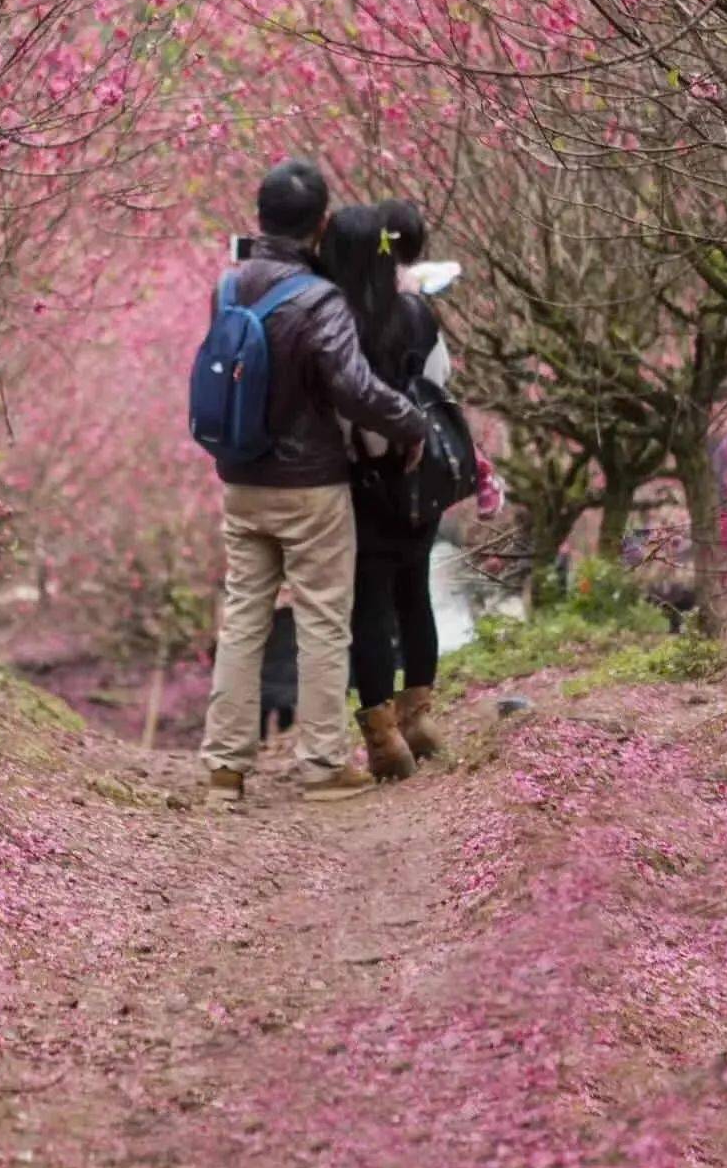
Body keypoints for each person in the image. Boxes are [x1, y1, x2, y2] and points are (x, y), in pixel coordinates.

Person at [200, 159, 426, 805]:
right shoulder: (318, 299)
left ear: (261, 217)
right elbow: (354, 388)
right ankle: (323, 766)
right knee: (324, 620)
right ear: (321, 224)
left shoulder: (229, 286)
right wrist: (411, 423)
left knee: (243, 616)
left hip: (241, 479)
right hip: (312, 487)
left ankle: (224, 769)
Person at [320, 199, 502, 779]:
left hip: (359, 479)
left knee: (368, 604)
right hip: (417, 477)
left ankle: (383, 740)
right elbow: (438, 384)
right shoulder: (417, 315)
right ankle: (419, 715)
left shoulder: (332, 321)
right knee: (413, 591)